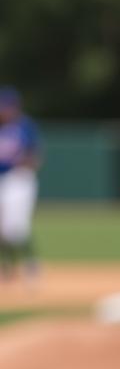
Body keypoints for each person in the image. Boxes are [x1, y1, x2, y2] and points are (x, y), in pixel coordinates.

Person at [0, 87, 42, 281]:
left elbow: (36, 157)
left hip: (19, 179)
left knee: (16, 228)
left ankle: (30, 265)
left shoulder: (25, 126)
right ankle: (7, 268)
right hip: (3, 180)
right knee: (3, 228)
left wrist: (24, 163)